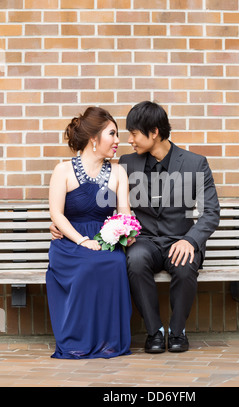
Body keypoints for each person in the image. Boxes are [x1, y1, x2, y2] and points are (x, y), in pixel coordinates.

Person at [118, 101, 220, 353]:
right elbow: (107, 202)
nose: (129, 140)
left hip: (181, 238)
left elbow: (211, 212)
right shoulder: (127, 163)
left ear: (154, 132)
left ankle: (177, 331)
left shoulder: (196, 164)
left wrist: (191, 240)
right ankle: (154, 331)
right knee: (135, 259)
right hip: (145, 241)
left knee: (185, 264)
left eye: (134, 133)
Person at [46, 106, 134, 359]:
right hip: (70, 240)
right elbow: (57, 214)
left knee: (114, 263)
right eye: (112, 134)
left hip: (105, 238)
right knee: (86, 268)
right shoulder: (62, 170)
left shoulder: (118, 172)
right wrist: (82, 240)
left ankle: (109, 341)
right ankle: (78, 340)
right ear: (94, 139)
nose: (118, 141)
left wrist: (127, 229)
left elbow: (123, 210)